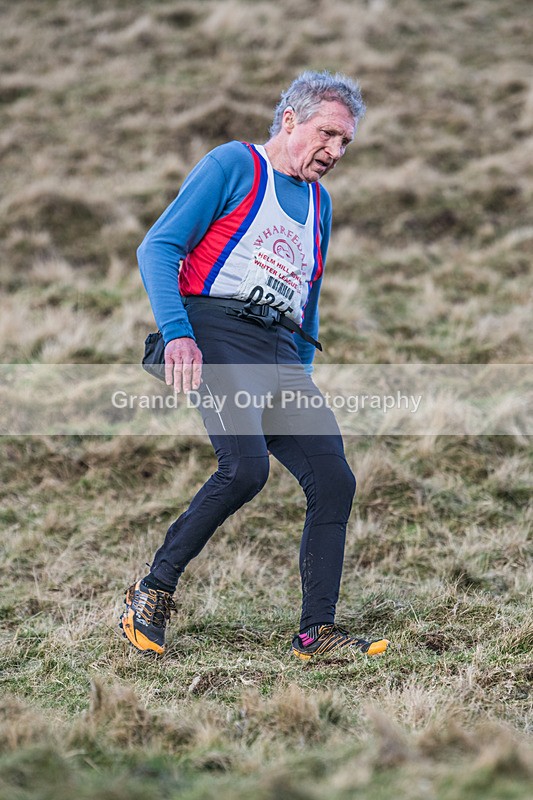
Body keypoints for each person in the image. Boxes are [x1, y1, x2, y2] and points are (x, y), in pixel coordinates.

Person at [120, 70, 389, 661]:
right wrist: (178, 336)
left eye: (346, 143)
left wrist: (302, 380)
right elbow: (158, 247)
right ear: (289, 120)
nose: (335, 151)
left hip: (280, 349)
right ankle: (152, 590)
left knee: (335, 478)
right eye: (327, 134)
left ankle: (317, 633)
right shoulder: (234, 165)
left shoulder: (321, 203)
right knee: (244, 470)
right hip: (212, 331)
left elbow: (307, 295)